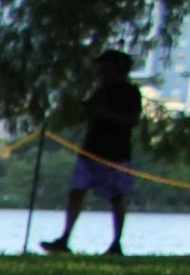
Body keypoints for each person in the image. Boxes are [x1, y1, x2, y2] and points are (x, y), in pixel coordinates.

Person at [43, 49, 142, 256]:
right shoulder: (100, 91)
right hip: (90, 151)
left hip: (116, 153)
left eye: (106, 69)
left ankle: (116, 243)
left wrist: (105, 114)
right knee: (76, 192)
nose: (101, 73)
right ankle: (64, 238)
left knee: (117, 197)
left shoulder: (130, 92)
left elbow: (132, 120)